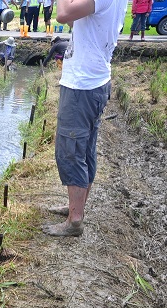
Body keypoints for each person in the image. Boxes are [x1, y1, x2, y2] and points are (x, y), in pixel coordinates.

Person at [43, 0, 128, 237]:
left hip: (83, 86)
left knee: (71, 151)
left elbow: (63, 14)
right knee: (85, 148)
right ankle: (75, 208)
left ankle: (75, 220)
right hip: (94, 81)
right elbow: (75, 19)